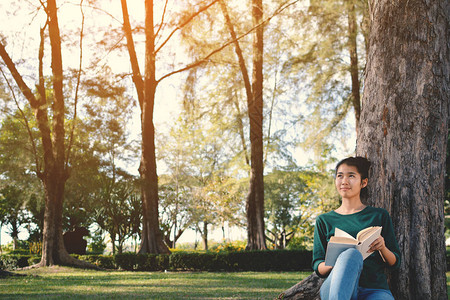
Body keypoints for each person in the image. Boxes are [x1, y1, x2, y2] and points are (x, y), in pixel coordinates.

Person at [312, 157, 401, 300]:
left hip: (374, 290)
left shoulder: (379, 215)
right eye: (340, 176)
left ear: (363, 182)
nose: (344, 181)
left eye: (351, 176)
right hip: (336, 288)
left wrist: (382, 247)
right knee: (351, 255)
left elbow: (395, 262)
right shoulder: (324, 220)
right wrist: (340, 261)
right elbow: (318, 266)